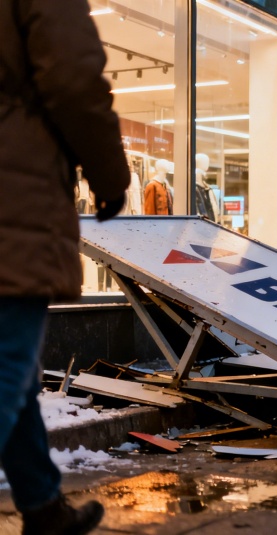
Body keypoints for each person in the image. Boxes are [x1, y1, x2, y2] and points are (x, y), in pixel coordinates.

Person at [0, 1, 131, 532]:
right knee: (7, 369)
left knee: (14, 374)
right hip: (14, 199)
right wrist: (109, 176)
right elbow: (76, 78)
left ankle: (41, 505)